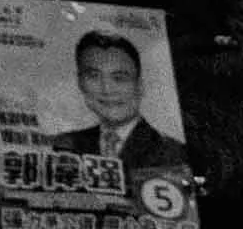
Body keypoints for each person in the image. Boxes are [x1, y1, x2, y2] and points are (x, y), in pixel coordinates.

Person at [43, 30, 189, 189]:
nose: (107, 89)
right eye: (93, 76)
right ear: (80, 82)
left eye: (119, 78)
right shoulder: (63, 146)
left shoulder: (172, 153)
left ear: (140, 85)